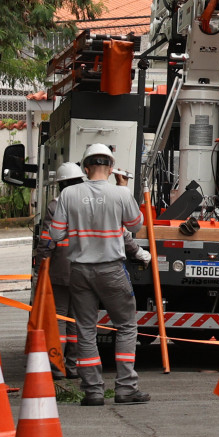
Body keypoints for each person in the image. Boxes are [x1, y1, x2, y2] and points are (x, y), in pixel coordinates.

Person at [42, 143, 153, 405]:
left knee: (85, 329)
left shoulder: (69, 195)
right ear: (111, 168)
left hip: (79, 271)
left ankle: (92, 390)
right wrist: (124, 189)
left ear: (86, 168)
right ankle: (126, 387)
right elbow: (136, 225)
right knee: (126, 326)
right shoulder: (120, 193)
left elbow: (56, 234)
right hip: (111, 270)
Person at [32, 161, 84, 378]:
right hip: (85, 272)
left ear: (61, 184)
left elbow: (47, 242)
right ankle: (73, 367)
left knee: (59, 318)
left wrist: (40, 268)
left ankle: (57, 366)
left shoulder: (55, 206)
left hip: (60, 272)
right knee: (77, 321)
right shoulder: (88, 204)